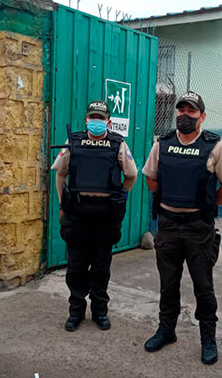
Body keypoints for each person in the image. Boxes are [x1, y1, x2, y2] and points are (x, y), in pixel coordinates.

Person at [142, 91, 222, 365]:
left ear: (202, 116)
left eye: (191, 111)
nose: (185, 115)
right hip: (169, 225)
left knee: (203, 287)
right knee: (167, 283)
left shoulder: (214, 146)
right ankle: (166, 330)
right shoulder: (163, 144)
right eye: (181, 110)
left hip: (199, 228)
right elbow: (151, 179)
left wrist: (205, 206)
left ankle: (208, 337)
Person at [51, 100, 137, 332]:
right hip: (78, 213)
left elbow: (132, 175)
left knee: (101, 267)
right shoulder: (74, 141)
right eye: (93, 117)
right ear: (86, 120)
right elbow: (60, 174)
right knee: (76, 266)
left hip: (105, 215)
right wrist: (63, 203)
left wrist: (121, 195)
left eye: (101, 118)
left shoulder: (118, 144)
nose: (96, 122)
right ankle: (75, 312)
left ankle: (100, 311)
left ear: (108, 122)